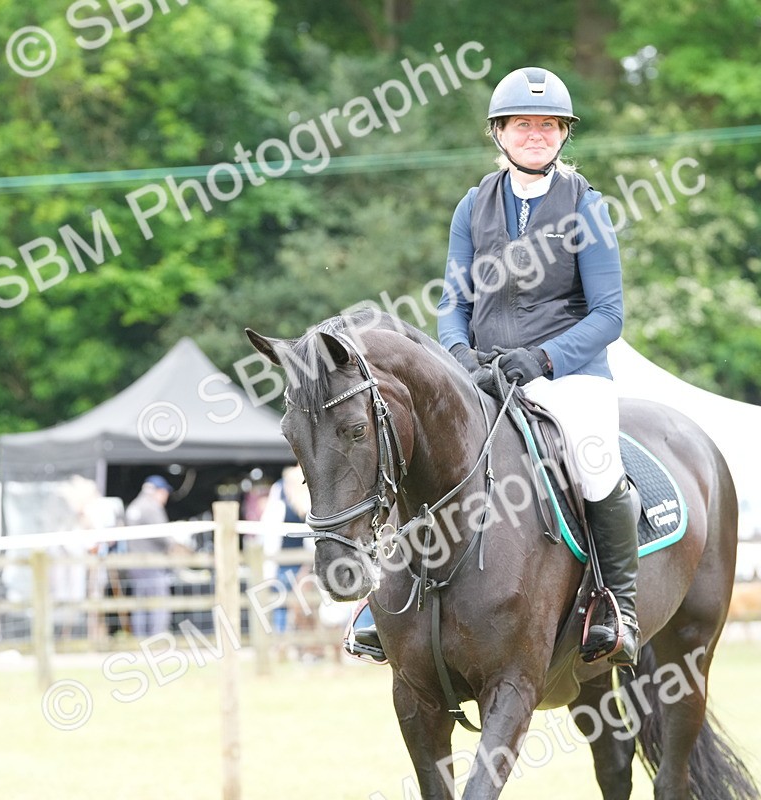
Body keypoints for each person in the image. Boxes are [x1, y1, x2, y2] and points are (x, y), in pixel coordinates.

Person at [353, 67, 639, 667]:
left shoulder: (588, 205)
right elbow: (452, 302)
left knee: (594, 461)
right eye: (523, 124)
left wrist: (542, 358)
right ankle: (390, 604)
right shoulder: (472, 205)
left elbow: (610, 314)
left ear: (563, 134)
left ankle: (618, 603)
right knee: (420, 456)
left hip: (569, 376)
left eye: (548, 125)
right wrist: (457, 357)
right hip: (483, 375)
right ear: (500, 132)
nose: (536, 134)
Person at [259, 465, 311, 634]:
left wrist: (309, 566)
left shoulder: (314, 488)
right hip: (281, 561)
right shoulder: (280, 488)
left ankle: (303, 646)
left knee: (306, 606)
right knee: (279, 605)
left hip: (306, 562)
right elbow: (268, 525)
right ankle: (280, 644)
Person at [123, 475, 174, 637]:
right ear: (158, 491)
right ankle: (158, 637)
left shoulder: (134, 505)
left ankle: (139, 637)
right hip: (151, 563)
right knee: (159, 601)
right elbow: (164, 537)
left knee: (140, 603)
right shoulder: (151, 507)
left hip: (135, 563)